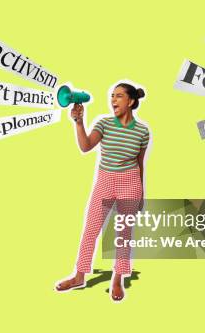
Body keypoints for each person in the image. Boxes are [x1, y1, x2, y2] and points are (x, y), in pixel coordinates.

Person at [55, 82, 150, 302]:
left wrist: (141, 193)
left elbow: (140, 163)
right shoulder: (104, 124)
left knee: (123, 235)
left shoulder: (142, 131)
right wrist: (79, 122)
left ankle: (117, 279)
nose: (113, 100)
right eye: (111, 96)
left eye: (118, 96)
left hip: (131, 182)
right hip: (105, 180)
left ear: (131, 101)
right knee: (91, 229)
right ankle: (79, 276)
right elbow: (86, 146)